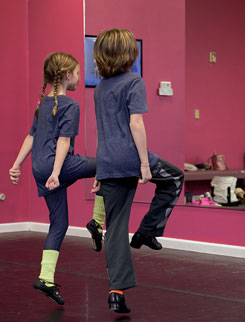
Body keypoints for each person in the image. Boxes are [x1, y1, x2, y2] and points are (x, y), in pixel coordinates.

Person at [90, 28, 184, 313]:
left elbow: (103, 132)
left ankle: (116, 292)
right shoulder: (134, 82)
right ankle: (147, 231)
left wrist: (100, 171)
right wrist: (144, 163)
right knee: (175, 178)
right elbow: (136, 125)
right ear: (129, 54)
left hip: (107, 162)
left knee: (115, 227)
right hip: (131, 158)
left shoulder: (100, 87)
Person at [9, 52, 98, 305]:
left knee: (59, 224)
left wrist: (16, 165)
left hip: (39, 167)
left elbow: (31, 137)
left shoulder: (43, 103)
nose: (80, 77)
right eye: (78, 73)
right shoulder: (71, 105)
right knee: (106, 165)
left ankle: (45, 277)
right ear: (68, 75)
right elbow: (63, 141)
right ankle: (98, 222)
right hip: (57, 166)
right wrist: (57, 173)